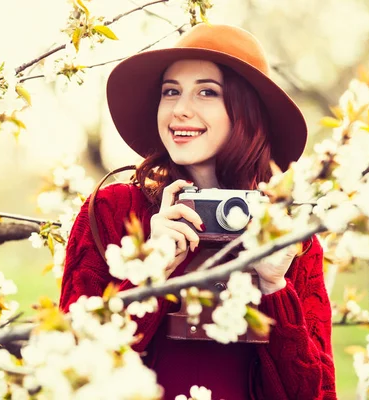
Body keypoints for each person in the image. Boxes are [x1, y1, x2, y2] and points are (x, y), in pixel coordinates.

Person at [58, 23, 336, 400]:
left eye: (207, 92)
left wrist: (275, 286)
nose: (180, 109)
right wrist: (149, 274)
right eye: (170, 92)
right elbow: (70, 372)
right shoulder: (112, 211)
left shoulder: (288, 234)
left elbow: (316, 395)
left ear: (247, 111)